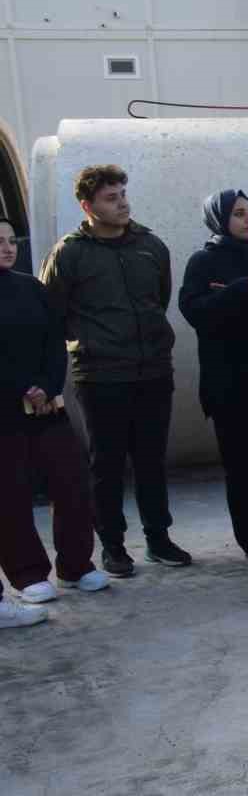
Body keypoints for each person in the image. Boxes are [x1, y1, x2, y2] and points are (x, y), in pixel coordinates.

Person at [40, 164, 189, 576]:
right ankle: (113, 546)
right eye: (111, 197)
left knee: (151, 460)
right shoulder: (69, 253)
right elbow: (50, 313)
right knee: (106, 463)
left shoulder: (151, 247)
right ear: (88, 206)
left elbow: (159, 299)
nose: (122, 203)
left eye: (123, 193)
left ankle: (158, 538)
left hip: (154, 371)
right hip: (101, 375)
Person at [1, 216, 109, 621]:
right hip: (5, 411)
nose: (8, 248)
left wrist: (46, 386)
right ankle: (28, 575)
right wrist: (20, 390)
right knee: (10, 496)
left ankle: (76, 565)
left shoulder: (32, 288)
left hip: (46, 405)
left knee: (72, 482)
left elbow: (53, 341)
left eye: (12, 240)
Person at [178, 189, 248, 565]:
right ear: (219, 218)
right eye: (240, 213)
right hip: (228, 384)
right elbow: (195, 311)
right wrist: (243, 291)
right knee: (241, 467)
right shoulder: (202, 262)